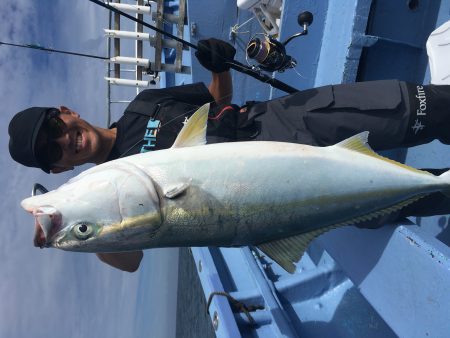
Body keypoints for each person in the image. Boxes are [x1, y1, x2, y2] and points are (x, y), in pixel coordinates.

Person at [8, 39, 450, 272]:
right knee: (433, 193)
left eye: (54, 130)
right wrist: (84, 235)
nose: (64, 142)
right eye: (53, 153)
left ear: (67, 113)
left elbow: (217, 97)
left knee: (423, 109)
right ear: (59, 169)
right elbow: (128, 259)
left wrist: (218, 63)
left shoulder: (144, 104)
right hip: (313, 193)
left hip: (295, 122)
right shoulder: (121, 207)